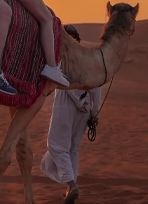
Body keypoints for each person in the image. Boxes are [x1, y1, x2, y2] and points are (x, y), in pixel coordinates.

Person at [40, 25, 101, 204]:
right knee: (72, 148)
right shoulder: (88, 59)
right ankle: (70, 189)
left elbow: (65, 81)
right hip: (85, 110)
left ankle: (71, 184)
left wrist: (81, 102)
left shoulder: (63, 58)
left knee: (56, 145)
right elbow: (97, 84)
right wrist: (94, 112)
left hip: (66, 106)